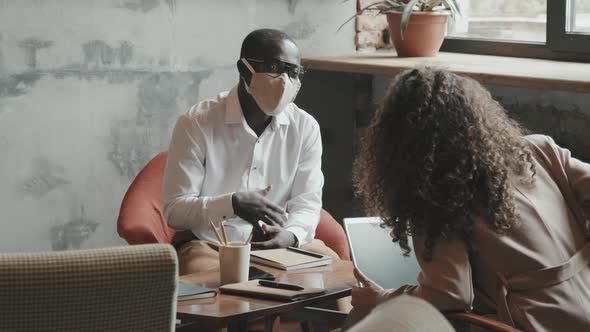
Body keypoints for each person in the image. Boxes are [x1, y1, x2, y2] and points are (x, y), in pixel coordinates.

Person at [348, 67, 590, 331]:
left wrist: (381, 298)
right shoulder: (539, 151)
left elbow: (450, 294)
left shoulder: (439, 196)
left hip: (538, 324)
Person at [162, 29, 337, 275]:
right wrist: (232, 204)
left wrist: (290, 235)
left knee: (338, 277)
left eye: (293, 71)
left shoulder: (305, 127)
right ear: (244, 70)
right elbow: (175, 211)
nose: (284, 79)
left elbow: (307, 203)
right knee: (216, 286)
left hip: (281, 247)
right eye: (273, 67)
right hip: (211, 246)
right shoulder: (197, 123)